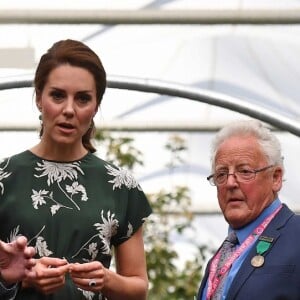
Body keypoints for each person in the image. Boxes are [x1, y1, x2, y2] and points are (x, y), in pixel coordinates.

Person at [0, 39, 152, 300]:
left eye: (82, 99)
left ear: (96, 106)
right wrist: (19, 280)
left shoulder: (121, 186)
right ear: (38, 97)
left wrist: (108, 280)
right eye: (57, 95)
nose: (69, 110)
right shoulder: (4, 178)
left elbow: (138, 288)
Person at [197, 119, 300, 300]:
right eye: (221, 174)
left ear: (275, 178)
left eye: (245, 171)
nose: (230, 183)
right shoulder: (220, 257)